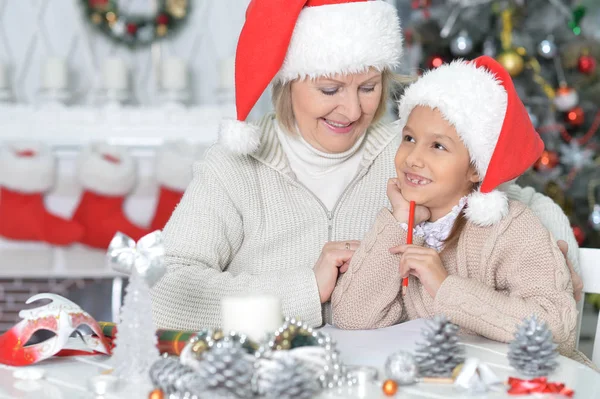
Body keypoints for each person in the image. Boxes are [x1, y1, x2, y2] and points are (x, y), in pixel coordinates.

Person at [151, 0, 581, 331]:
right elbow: (165, 291)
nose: (351, 110)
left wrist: (555, 250)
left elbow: (509, 194)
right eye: (330, 88)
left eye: (369, 86)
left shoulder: (407, 151)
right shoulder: (235, 166)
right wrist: (304, 290)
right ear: (288, 80)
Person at [331, 56, 591, 365]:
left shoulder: (511, 228)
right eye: (409, 138)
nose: (413, 158)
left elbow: (556, 327)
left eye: (437, 146)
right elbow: (350, 316)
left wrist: (445, 287)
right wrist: (400, 221)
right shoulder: (409, 226)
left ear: (476, 169)